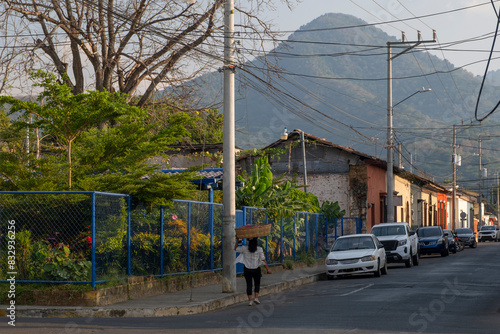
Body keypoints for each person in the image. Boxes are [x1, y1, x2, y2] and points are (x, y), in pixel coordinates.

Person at [235, 237, 272, 306]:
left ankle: (250, 301)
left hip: (247, 269)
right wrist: (268, 269)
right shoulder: (259, 249)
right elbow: (263, 260)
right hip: (256, 269)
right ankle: (256, 298)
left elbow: (235, 249)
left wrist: (237, 240)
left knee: (249, 285)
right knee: (257, 284)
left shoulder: (244, 248)